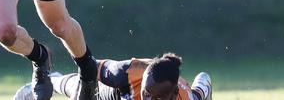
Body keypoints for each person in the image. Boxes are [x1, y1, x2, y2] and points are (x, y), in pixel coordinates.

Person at [12, 53, 213, 100]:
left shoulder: (184, 97)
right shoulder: (126, 73)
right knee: (78, 89)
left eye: (156, 98)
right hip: (114, 93)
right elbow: (90, 67)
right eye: (146, 93)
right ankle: (51, 79)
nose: (147, 99)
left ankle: (204, 84)